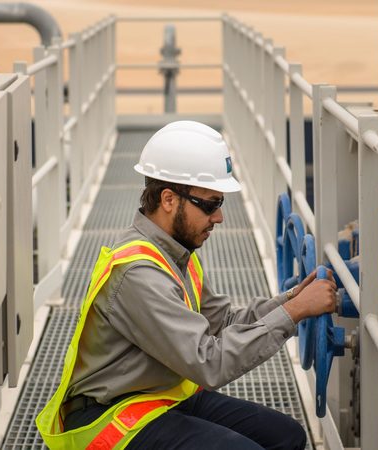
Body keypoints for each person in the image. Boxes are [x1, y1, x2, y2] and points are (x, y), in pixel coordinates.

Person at [36, 120, 337, 450]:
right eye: (210, 205)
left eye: (219, 204)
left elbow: (222, 322)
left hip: (157, 394)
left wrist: (292, 300)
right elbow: (210, 362)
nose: (219, 218)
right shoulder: (138, 273)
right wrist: (293, 313)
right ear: (168, 199)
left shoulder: (176, 252)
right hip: (112, 415)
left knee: (287, 436)